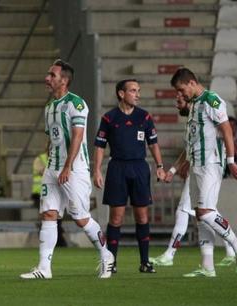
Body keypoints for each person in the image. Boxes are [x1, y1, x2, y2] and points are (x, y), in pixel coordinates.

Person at [20, 59, 114, 280]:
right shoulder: (50, 107)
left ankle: (106, 255)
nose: (47, 78)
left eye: (52, 75)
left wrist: (67, 167)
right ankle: (44, 268)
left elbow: (78, 136)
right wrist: (52, 165)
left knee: (80, 218)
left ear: (64, 80)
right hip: (53, 168)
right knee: (49, 214)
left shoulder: (76, 104)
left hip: (74, 169)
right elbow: (52, 140)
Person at [170, 67, 237, 277]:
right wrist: (175, 168)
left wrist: (231, 161)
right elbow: (191, 143)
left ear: (191, 82)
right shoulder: (194, 105)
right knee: (200, 215)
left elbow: (227, 130)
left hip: (211, 164)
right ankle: (207, 267)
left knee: (205, 212)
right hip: (196, 165)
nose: (180, 94)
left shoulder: (212, 100)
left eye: (181, 89)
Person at [150, 94, 236, 267]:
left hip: (205, 168)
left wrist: (230, 162)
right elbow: (188, 150)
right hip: (199, 168)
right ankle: (231, 249)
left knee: (186, 210)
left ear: (189, 103)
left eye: (179, 101)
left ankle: (170, 254)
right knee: (207, 213)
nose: (176, 105)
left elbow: (213, 141)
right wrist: (173, 171)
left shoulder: (204, 118)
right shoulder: (192, 120)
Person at [93, 79, 166, 274]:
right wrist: (97, 169)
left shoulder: (144, 117)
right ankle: (112, 261)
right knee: (116, 218)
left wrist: (160, 166)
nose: (137, 94)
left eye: (138, 91)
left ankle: (145, 262)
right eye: (133, 91)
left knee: (142, 216)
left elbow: (153, 144)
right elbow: (99, 146)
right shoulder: (109, 118)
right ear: (121, 93)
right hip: (117, 168)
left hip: (139, 167)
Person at [31, 149, 67, 247]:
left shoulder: (60, 158)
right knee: (49, 215)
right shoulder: (40, 159)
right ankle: (56, 240)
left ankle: (56, 239)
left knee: (55, 216)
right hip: (39, 193)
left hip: (54, 192)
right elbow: (44, 172)